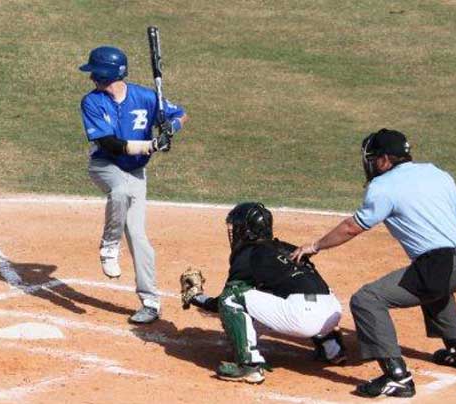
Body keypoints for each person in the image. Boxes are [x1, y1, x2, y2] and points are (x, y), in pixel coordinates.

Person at [291, 129, 456, 398]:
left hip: (441, 266)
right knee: (431, 281)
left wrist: (315, 246)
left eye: (371, 159)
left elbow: (351, 228)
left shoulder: (382, 187)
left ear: (383, 160)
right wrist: (450, 254)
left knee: (367, 299)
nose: (369, 165)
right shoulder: (435, 172)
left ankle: (397, 377)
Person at [78, 46, 188, 324]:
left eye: (95, 73)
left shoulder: (146, 97)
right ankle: (109, 246)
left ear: (108, 73)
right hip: (105, 165)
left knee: (139, 239)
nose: (91, 78)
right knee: (120, 190)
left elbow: (181, 114)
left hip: (137, 173)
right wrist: (150, 144)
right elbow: (109, 144)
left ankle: (150, 301)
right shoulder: (92, 102)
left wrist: (170, 128)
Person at [183, 202, 345, 384]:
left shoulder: (248, 254)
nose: (234, 232)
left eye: (237, 227)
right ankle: (332, 348)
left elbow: (224, 301)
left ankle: (248, 366)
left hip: (303, 318)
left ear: (246, 230)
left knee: (232, 297)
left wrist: (196, 297)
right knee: (285, 288)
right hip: (332, 312)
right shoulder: (285, 247)